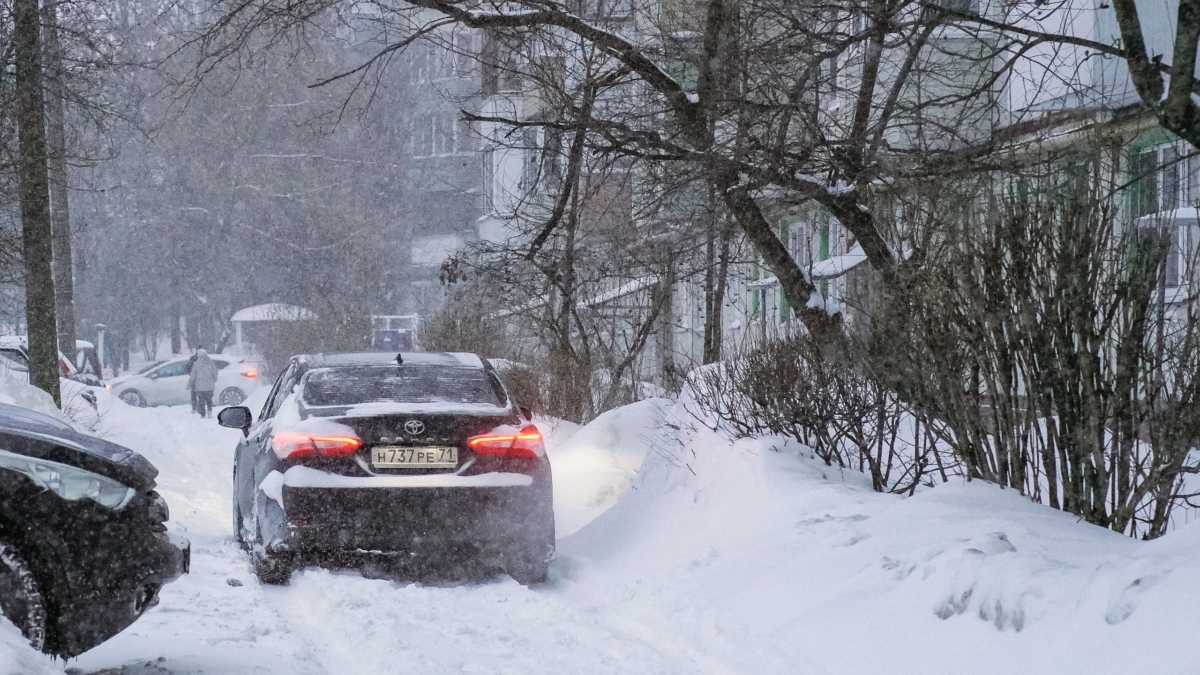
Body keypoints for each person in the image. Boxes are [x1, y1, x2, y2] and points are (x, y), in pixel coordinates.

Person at [188, 349, 219, 418]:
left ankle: (203, 414)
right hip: (209, 385)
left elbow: (193, 375)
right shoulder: (210, 362)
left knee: (201, 400)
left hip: (199, 386)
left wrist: (189, 384)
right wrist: (214, 379)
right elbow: (215, 372)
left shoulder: (196, 364)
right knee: (209, 399)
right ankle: (209, 411)